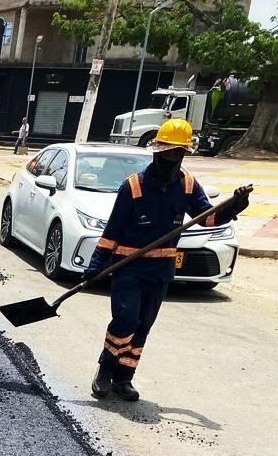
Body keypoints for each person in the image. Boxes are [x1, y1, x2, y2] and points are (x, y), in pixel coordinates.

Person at [84, 118, 250, 402]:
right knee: (125, 320)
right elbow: (112, 231)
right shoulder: (133, 186)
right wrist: (96, 265)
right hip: (129, 268)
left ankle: (124, 379)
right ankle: (105, 371)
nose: (172, 157)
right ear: (157, 151)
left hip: (160, 272)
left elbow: (207, 218)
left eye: (178, 152)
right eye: (168, 151)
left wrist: (234, 206)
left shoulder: (187, 184)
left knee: (142, 326)